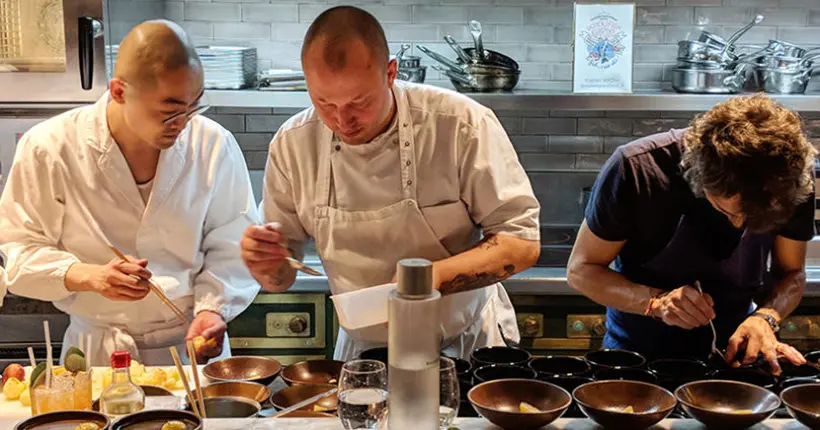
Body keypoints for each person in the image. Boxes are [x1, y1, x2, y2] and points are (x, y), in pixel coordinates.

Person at [239, 6, 541, 361]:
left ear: (390, 73)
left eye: (359, 102)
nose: (342, 120)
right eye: (324, 103)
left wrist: (424, 280)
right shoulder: (292, 145)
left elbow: (521, 243)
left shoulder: (460, 125)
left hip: (466, 343)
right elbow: (280, 276)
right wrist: (266, 266)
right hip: (365, 355)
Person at [0, 20, 260, 366]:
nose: (183, 124)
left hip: (189, 351)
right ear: (119, 91)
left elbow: (232, 245)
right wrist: (88, 276)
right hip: (98, 353)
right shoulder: (50, 147)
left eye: (194, 105)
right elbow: (18, 252)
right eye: (169, 112)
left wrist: (213, 309)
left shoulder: (213, 144)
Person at [567, 96, 815, 374]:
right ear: (701, 179)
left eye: (755, 218)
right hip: (637, 355)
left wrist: (766, 317)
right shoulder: (637, 169)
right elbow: (581, 270)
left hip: (737, 356)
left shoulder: (789, 180)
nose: (739, 223)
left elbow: (793, 273)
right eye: (728, 211)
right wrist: (656, 302)